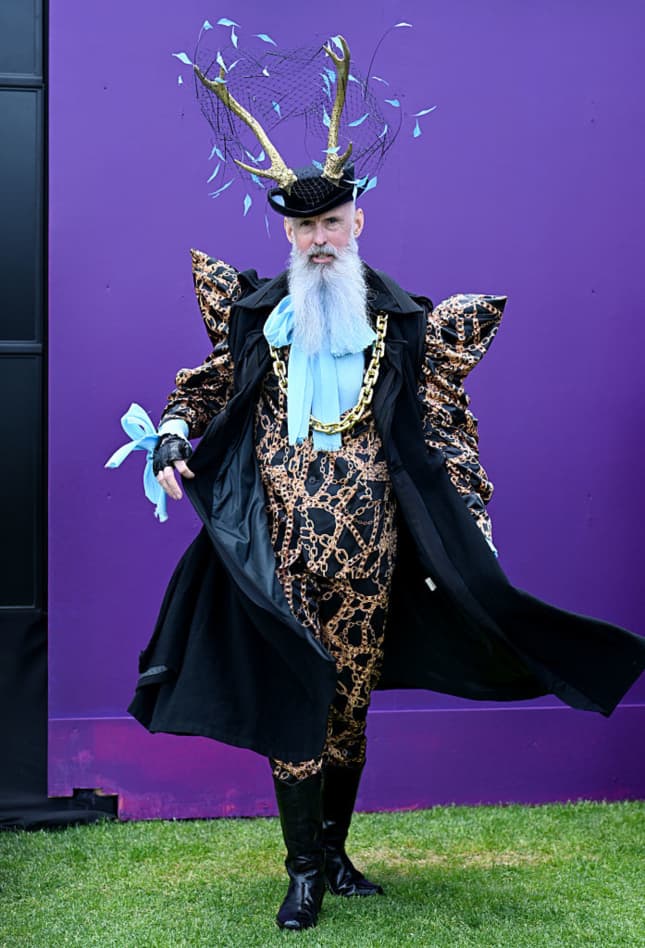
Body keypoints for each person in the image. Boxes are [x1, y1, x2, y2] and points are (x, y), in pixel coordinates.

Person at [127, 35, 645, 932]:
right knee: (297, 690)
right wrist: (173, 432)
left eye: (331, 227)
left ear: (356, 225)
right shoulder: (257, 317)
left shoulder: (407, 329)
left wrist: (470, 520)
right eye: (302, 231)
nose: (318, 242)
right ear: (286, 236)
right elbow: (205, 386)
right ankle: (300, 873)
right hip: (277, 540)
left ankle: (333, 848)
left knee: (351, 704)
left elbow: (445, 434)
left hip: (374, 547)